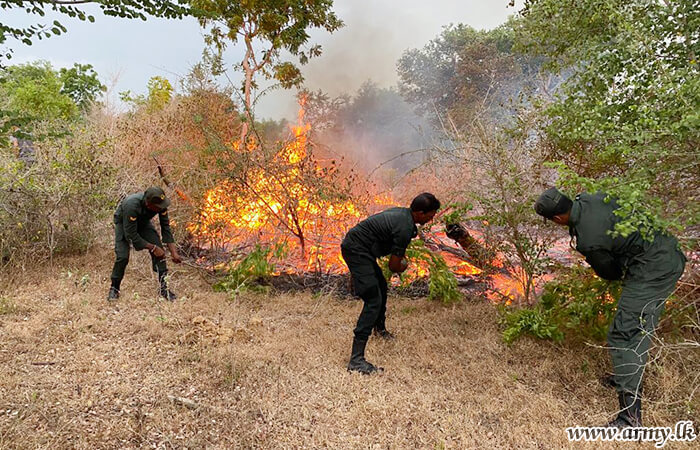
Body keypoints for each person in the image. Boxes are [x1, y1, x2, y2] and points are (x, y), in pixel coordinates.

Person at [534, 187, 686, 428]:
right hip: (662, 250)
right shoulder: (589, 196)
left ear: (556, 219)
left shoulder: (588, 239)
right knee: (630, 325)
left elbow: (611, 273)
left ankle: (630, 419)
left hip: (654, 268)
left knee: (625, 333)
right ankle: (626, 375)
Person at [341, 192, 441, 374]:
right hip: (356, 250)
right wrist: (404, 265)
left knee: (381, 286)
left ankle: (380, 329)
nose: (431, 218)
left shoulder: (405, 216)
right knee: (373, 300)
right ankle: (356, 360)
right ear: (419, 212)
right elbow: (394, 266)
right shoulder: (404, 227)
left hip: (363, 250)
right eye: (430, 215)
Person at [108, 186, 182, 301]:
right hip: (124, 223)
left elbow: (165, 227)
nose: (161, 208)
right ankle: (114, 288)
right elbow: (131, 235)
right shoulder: (131, 205)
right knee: (122, 256)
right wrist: (152, 248)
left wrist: (173, 252)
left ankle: (164, 289)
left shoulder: (161, 204)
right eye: (158, 207)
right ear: (148, 204)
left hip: (143, 222)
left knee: (160, 253)